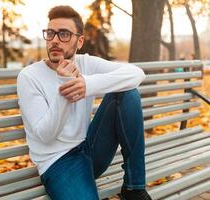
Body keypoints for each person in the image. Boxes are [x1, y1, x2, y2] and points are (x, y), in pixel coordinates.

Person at [17, 5, 152, 200]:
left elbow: (136, 73)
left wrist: (87, 84)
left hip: (90, 149)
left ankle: (134, 189)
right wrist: (66, 87)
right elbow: (45, 136)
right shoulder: (29, 77)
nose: (54, 40)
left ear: (79, 41)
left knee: (126, 92)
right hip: (58, 162)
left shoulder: (86, 63)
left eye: (63, 34)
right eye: (50, 33)